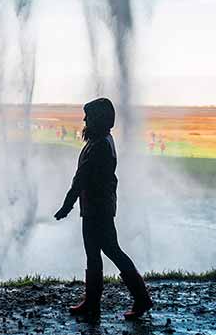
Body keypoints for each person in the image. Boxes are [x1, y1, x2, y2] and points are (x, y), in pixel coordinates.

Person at [54, 98, 153, 319]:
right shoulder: (103, 140)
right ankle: (92, 302)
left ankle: (141, 298)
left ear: (97, 119)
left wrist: (66, 206)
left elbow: (80, 179)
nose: (84, 119)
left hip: (96, 209)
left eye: (88, 115)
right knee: (96, 253)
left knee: (111, 251)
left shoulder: (98, 145)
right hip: (98, 206)